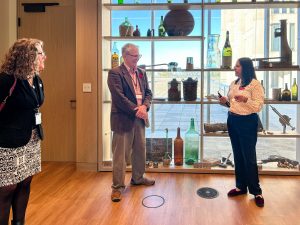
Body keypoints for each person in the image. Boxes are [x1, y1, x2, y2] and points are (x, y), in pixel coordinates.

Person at [0, 38, 46, 225]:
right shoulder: (6, 80)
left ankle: (19, 222)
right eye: (41, 53)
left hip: (31, 139)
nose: (45, 57)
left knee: (25, 182)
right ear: (29, 57)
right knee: (7, 188)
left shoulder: (36, 79)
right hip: (8, 142)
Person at [107, 43, 154, 202]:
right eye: (135, 56)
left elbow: (148, 92)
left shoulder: (141, 73)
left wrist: (145, 107)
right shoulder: (115, 73)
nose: (137, 59)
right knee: (120, 155)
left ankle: (138, 178)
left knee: (140, 150)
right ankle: (117, 187)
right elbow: (119, 98)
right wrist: (137, 110)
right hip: (123, 119)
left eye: (138, 56)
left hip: (140, 118)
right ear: (125, 56)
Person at [219, 57, 264, 207]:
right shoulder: (234, 83)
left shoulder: (255, 85)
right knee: (237, 155)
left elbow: (258, 106)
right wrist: (225, 101)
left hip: (248, 122)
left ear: (245, 67)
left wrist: (245, 100)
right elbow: (232, 104)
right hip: (233, 121)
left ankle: (256, 192)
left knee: (249, 157)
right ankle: (241, 187)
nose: (234, 68)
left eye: (237, 66)